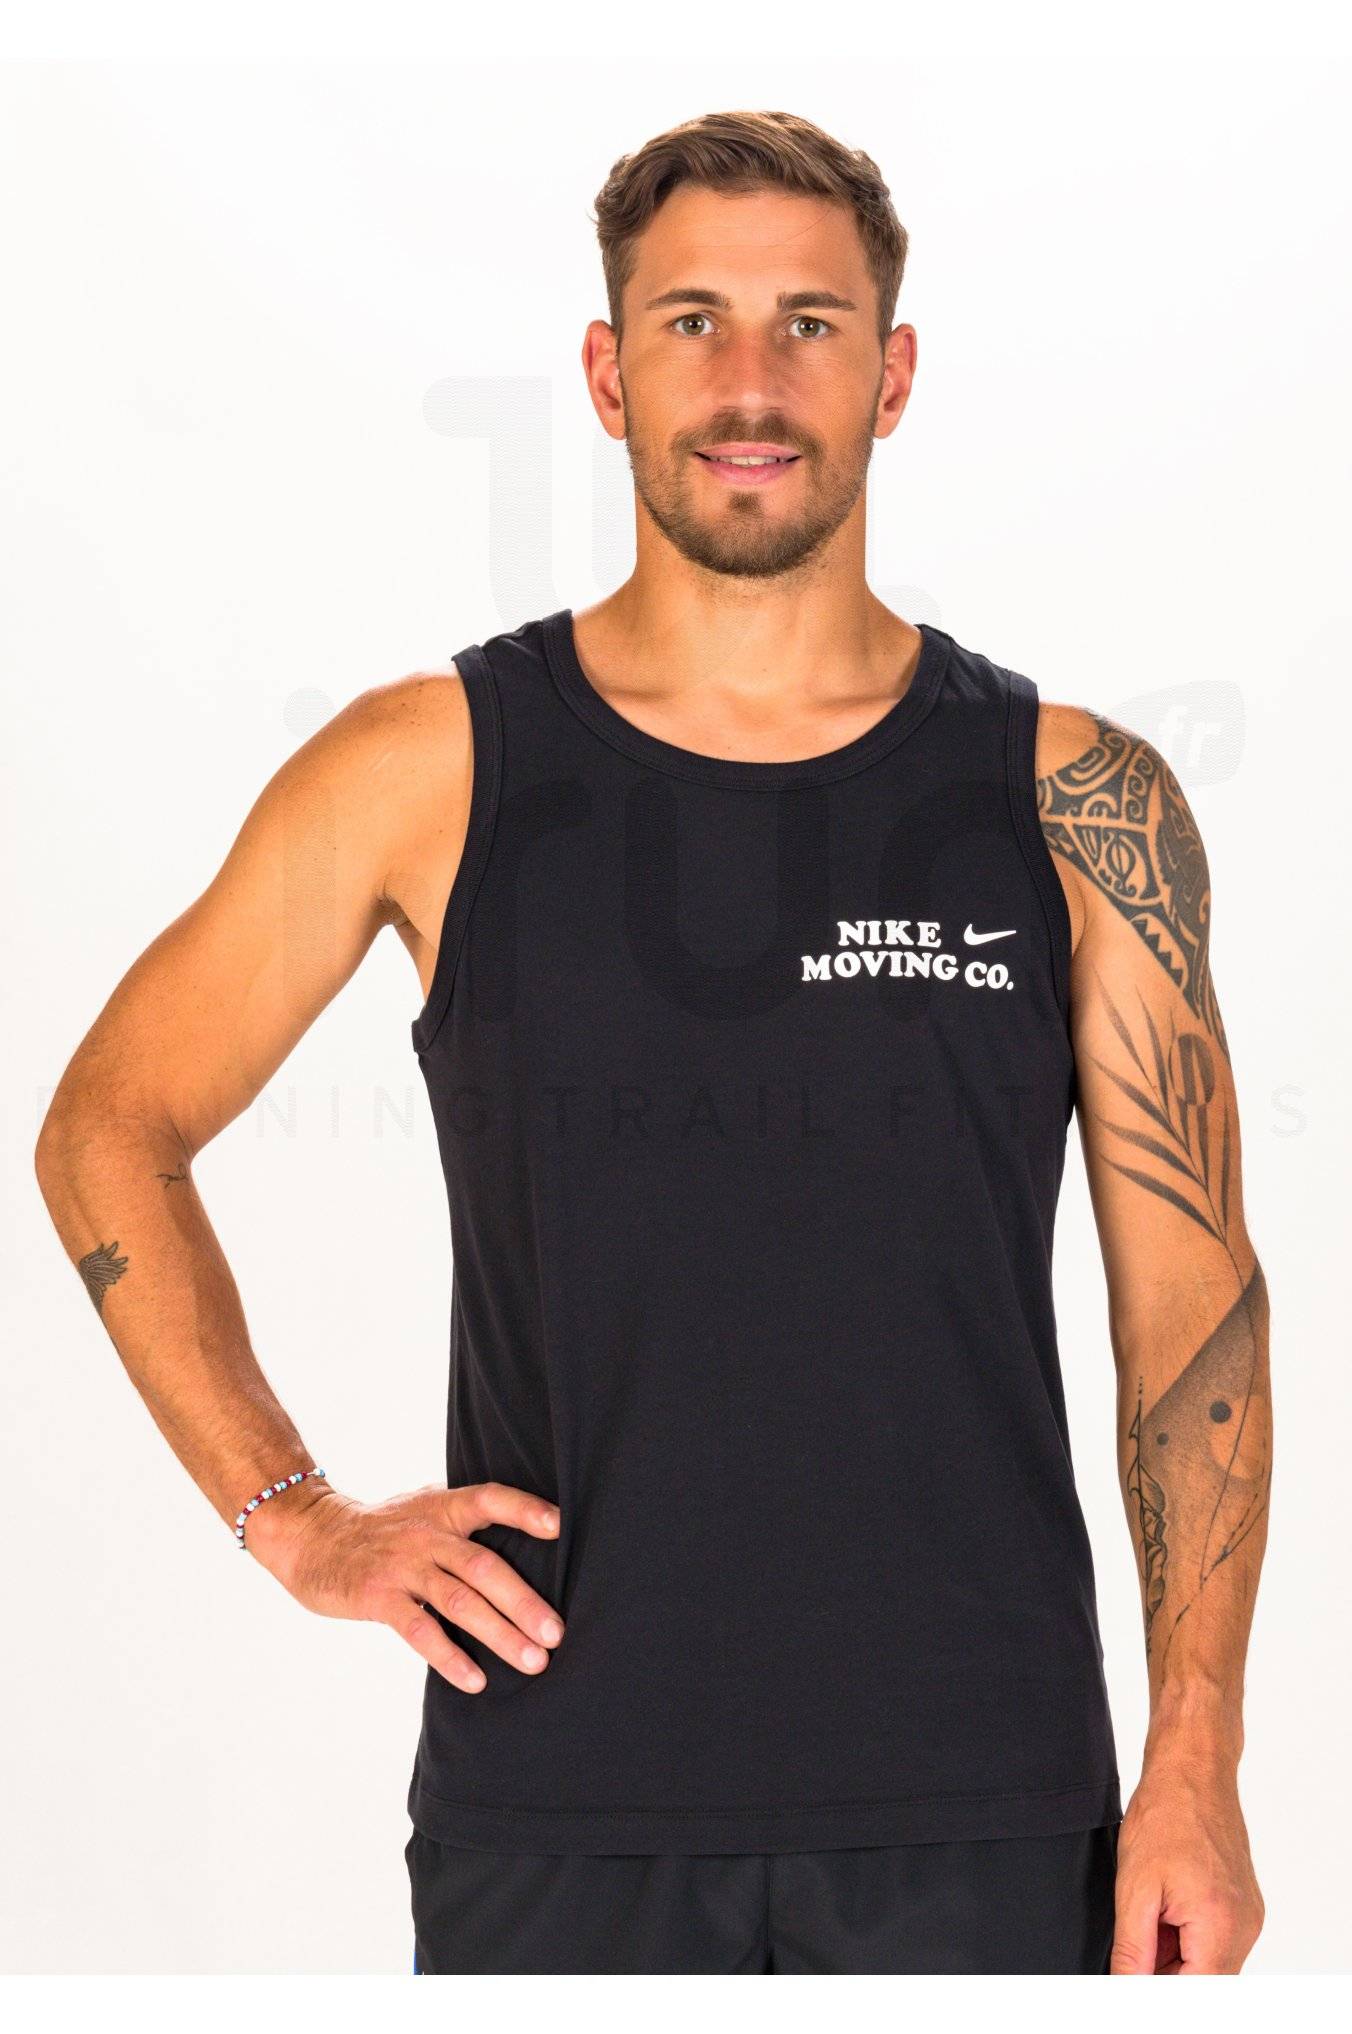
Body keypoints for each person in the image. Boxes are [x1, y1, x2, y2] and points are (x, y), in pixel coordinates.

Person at [34, 108, 1270, 1975]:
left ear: (894, 374)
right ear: (610, 374)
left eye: (810, 324)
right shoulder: (430, 768)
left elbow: (1193, 1316)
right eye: (694, 321)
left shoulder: (1073, 800)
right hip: (556, 1803)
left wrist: (1197, 1755)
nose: (751, 382)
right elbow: (110, 1124)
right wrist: (297, 1517)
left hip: (988, 1808)